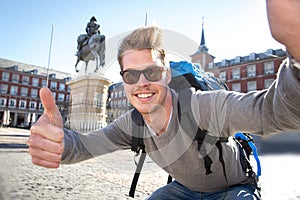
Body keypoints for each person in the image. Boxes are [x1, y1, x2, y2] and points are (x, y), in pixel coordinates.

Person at [28, 0, 300, 199]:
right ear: (123, 80)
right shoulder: (132, 123)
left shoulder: (204, 107)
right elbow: (85, 145)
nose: (142, 82)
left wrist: (297, 60)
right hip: (183, 191)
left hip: (231, 190)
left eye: (152, 72)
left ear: (167, 75)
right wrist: (60, 144)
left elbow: (273, 112)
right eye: (131, 74)